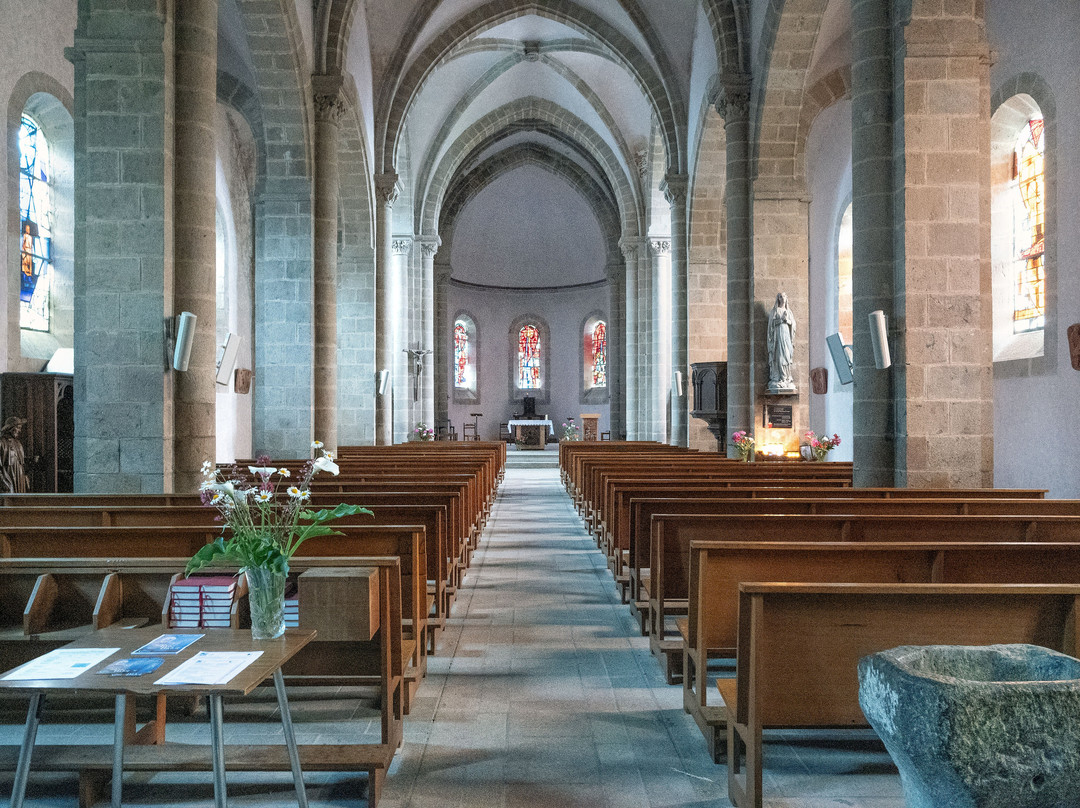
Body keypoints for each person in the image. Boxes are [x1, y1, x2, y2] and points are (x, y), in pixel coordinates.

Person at [767, 291, 796, 392]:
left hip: (786, 337)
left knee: (787, 357)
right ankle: (779, 377)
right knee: (779, 357)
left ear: (786, 298)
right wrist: (781, 320)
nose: (782, 298)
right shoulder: (775, 311)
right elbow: (771, 325)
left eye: (784, 296)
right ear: (778, 299)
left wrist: (787, 320)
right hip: (778, 338)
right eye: (780, 296)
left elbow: (793, 325)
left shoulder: (789, 312)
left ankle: (786, 378)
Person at [0, 416, 29, 494]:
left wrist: (25, 476)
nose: (19, 431)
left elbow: (22, 463)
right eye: (18, 428)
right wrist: (2, 481)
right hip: (8, 478)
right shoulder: (1, 443)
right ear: (10, 428)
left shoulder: (18, 444)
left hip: (19, 479)